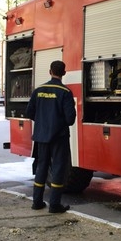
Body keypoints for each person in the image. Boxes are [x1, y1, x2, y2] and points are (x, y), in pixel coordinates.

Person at [25, 60, 76, 213]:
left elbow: (29, 112)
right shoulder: (65, 92)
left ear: (49, 71)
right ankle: (54, 204)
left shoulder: (38, 90)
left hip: (41, 136)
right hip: (59, 137)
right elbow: (70, 119)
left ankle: (37, 201)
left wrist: (43, 123)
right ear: (64, 73)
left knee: (42, 167)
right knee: (58, 168)